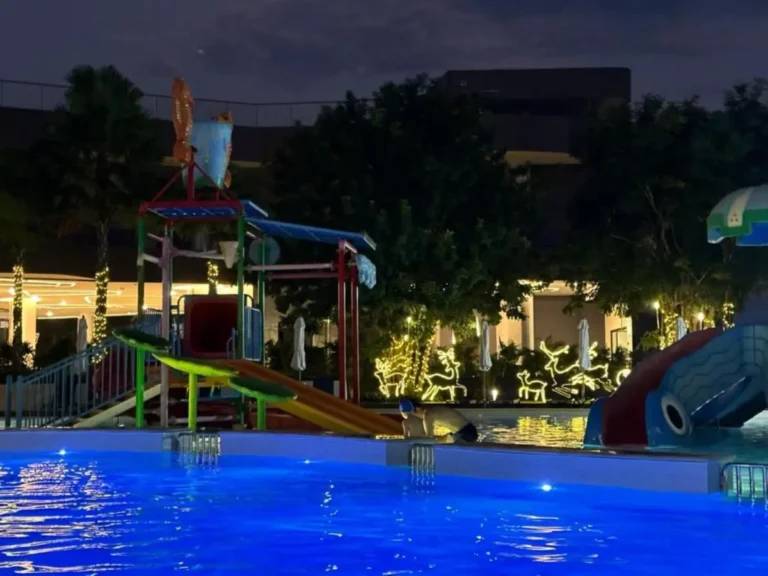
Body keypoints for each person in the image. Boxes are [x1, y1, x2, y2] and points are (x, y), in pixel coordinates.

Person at [399, 399, 479, 443]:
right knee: (445, 440)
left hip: (466, 433)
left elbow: (429, 439)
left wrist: (412, 440)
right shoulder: (432, 411)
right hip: (464, 431)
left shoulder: (428, 416)